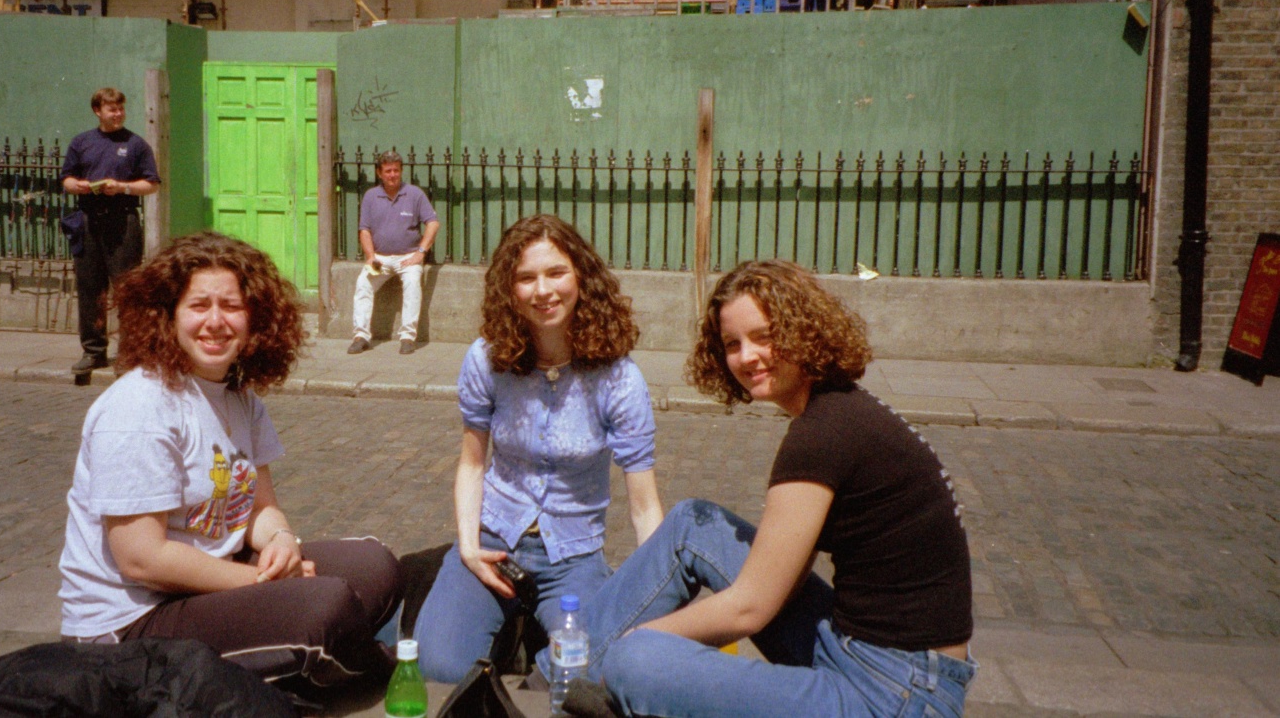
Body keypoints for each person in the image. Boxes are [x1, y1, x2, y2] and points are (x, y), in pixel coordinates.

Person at [580, 260, 976, 718]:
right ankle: (565, 671)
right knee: (693, 523)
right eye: (732, 344)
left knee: (635, 660)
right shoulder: (842, 410)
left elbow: (751, 609)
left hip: (894, 695)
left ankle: (585, 667)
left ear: (803, 331)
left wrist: (641, 641)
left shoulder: (822, 434)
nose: (748, 356)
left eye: (764, 336)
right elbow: (777, 579)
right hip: (877, 659)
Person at [57, 231, 401, 687]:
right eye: (199, 306)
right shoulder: (140, 405)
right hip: (131, 625)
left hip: (217, 582)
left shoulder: (239, 397)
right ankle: (348, 662)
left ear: (255, 318)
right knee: (324, 604)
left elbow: (261, 507)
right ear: (169, 315)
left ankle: (308, 656)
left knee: (374, 565)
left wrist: (282, 541)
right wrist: (265, 582)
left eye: (231, 306)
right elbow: (142, 560)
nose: (215, 322)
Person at [413, 214, 664, 684]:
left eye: (556, 273)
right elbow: (471, 464)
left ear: (581, 277)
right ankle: (503, 629)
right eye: (525, 278)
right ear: (509, 289)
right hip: (493, 543)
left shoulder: (619, 377)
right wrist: (468, 548)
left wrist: (656, 594)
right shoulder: (486, 359)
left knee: (593, 673)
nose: (542, 290)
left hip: (573, 558)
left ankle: (532, 646)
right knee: (438, 669)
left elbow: (645, 505)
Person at [60, 87, 161, 374]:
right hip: (89, 221)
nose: (117, 114)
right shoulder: (82, 142)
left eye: (120, 109)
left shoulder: (136, 144)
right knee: (90, 288)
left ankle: (130, 354)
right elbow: (66, 177)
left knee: (127, 290)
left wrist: (123, 187)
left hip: (122, 221)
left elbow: (152, 184)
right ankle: (93, 352)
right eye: (111, 109)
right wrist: (75, 185)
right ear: (98, 111)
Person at [348, 150, 440, 355]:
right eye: (388, 171)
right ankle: (360, 336)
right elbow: (364, 230)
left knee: (412, 284)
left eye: (396, 170)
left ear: (401, 171)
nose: (392, 175)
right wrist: (370, 257)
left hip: (408, 257)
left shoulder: (415, 194)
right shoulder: (371, 196)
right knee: (363, 284)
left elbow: (433, 223)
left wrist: (421, 252)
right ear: (380, 173)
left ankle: (408, 337)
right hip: (379, 258)